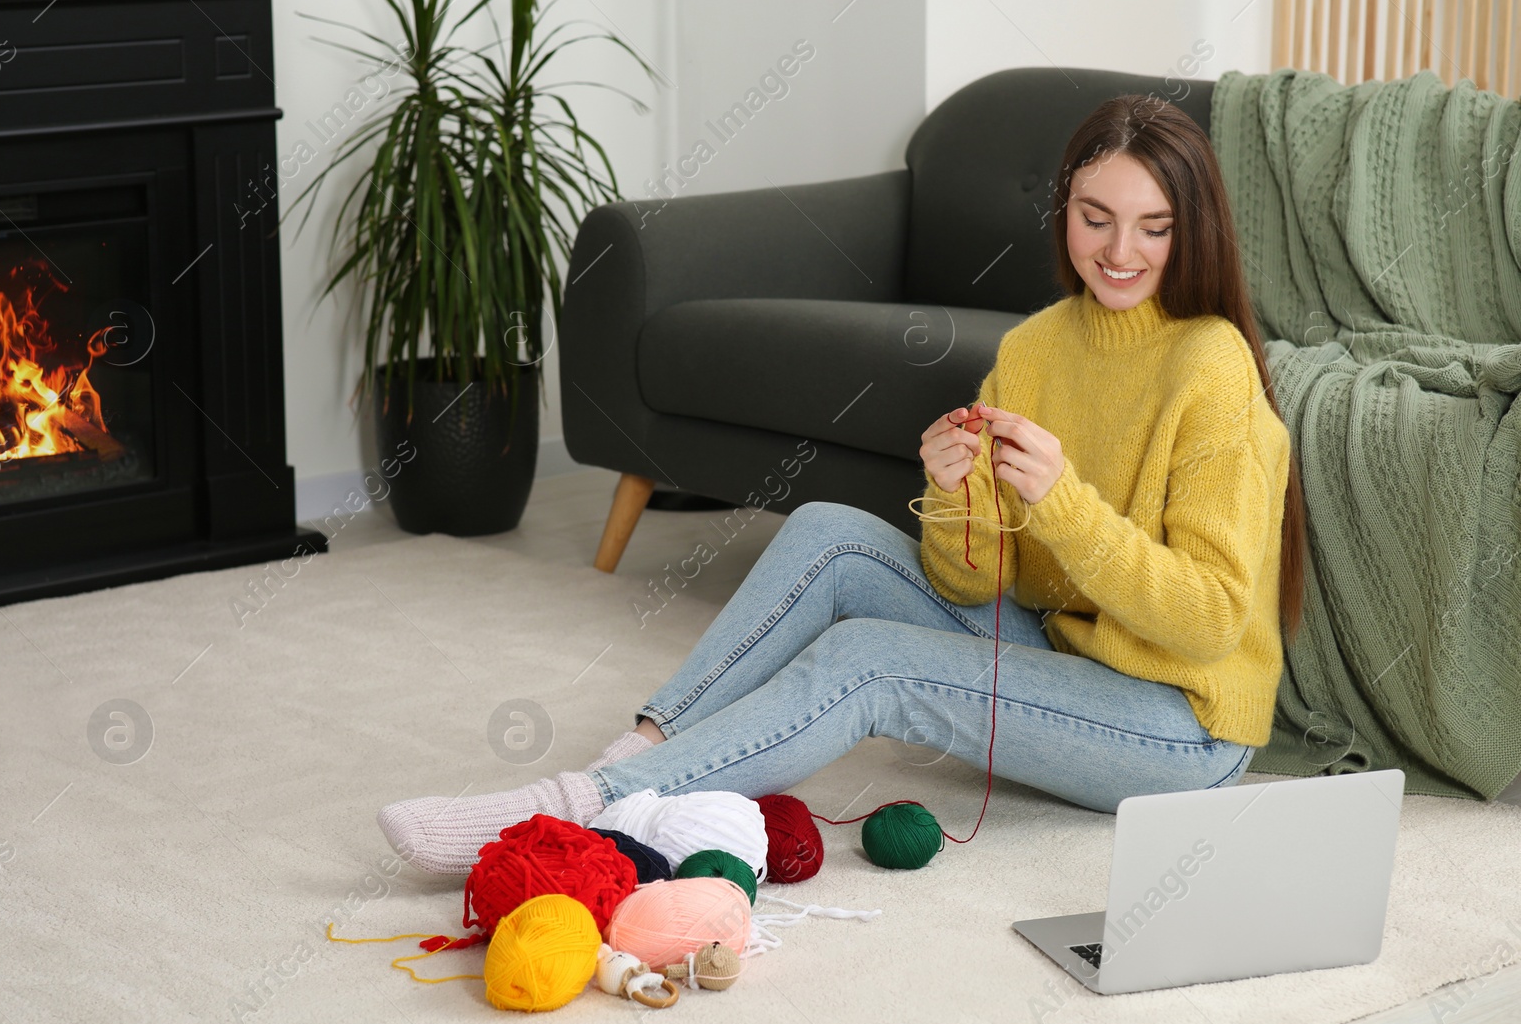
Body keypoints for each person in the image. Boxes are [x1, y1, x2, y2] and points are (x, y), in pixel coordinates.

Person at [377, 93, 1309, 877]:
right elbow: (970, 585)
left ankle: (581, 810)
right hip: (1067, 654)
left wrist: (1062, 502)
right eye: (1095, 217)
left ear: (1192, 231)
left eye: (1154, 227)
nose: (1119, 252)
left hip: (1178, 724)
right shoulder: (1032, 352)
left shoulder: (1211, 367)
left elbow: (1211, 619)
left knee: (873, 661)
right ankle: (645, 754)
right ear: (1063, 209)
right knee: (829, 527)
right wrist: (954, 495)